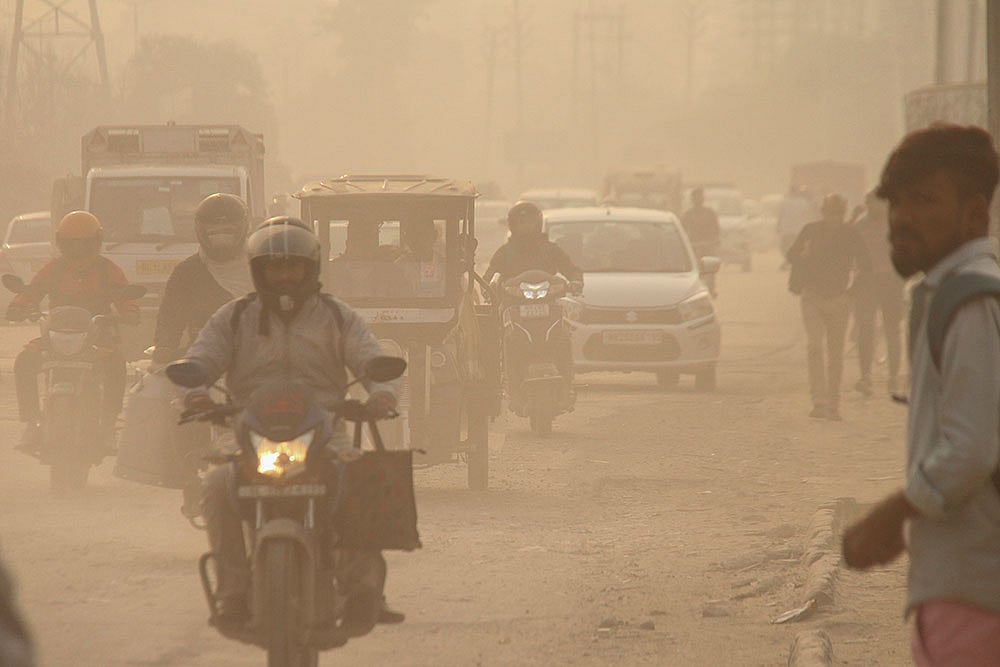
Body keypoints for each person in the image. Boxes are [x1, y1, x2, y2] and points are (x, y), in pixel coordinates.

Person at [180, 217, 403, 632]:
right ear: (257, 271)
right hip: (247, 433)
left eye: (293, 267)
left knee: (363, 478)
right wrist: (194, 388)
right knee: (216, 485)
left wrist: (382, 393)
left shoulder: (337, 316)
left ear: (311, 268)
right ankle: (233, 591)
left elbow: (371, 359)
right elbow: (202, 358)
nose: (284, 277)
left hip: (326, 432)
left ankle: (363, 588)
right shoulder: (234, 317)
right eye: (274, 268)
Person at [842, 124, 1000, 665]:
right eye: (897, 202)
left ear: (974, 214)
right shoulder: (947, 293)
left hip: (975, 592)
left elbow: (970, 448)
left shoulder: (971, 299)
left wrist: (891, 518)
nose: (902, 218)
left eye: (925, 200)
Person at [148, 193, 253, 519]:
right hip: (203, 357)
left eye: (228, 229)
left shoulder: (264, 266)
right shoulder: (187, 272)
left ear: (243, 229)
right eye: (214, 230)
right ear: (200, 232)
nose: (221, 236)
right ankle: (190, 479)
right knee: (178, 406)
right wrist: (164, 351)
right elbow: (169, 320)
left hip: (259, 356)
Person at [7, 211, 140, 454]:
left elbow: (124, 294)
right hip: (54, 338)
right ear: (62, 244)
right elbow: (33, 290)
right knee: (24, 361)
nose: (78, 251)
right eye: (72, 245)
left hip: (97, 339)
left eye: (84, 244)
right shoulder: (53, 268)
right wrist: (19, 306)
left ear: (96, 243)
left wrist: (130, 311)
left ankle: (108, 425)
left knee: (116, 364)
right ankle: (32, 423)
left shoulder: (107, 270)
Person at [485, 201, 582, 401]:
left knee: (564, 338)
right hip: (514, 307)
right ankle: (502, 383)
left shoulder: (551, 249)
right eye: (521, 223)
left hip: (550, 307)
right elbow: (490, 276)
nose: (526, 227)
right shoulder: (505, 252)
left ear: (538, 224)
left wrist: (575, 282)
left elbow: (571, 269)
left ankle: (567, 385)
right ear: (513, 225)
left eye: (530, 223)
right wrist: (491, 288)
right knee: (497, 339)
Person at [786, 193, 870, 421]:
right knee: (814, 347)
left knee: (835, 354)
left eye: (838, 213)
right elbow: (791, 254)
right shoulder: (811, 230)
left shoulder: (851, 234)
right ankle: (819, 401)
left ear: (842, 214)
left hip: (839, 298)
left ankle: (833, 403)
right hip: (812, 296)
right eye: (830, 213)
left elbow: (865, 265)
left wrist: (851, 293)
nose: (834, 218)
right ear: (823, 213)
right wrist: (803, 256)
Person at [850, 191, 905, 396]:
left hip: (891, 280)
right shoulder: (860, 226)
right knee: (865, 328)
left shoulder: (896, 224)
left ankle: (893, 376)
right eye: (871, 203)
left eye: (879, 204)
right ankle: (865, 376)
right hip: (866, 280)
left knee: (892, 329)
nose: (875, 207)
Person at [681, 187, 721, 295]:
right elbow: (683, 231)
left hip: (708, 244)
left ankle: (711, 288)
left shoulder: (710, 213)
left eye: (700, 197)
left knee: (710, 267)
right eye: (696, 197)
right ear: (692, 199)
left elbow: (716, 230)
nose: (698, 199)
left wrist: (715, 240)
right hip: (693, 246)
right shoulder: (688, 215)